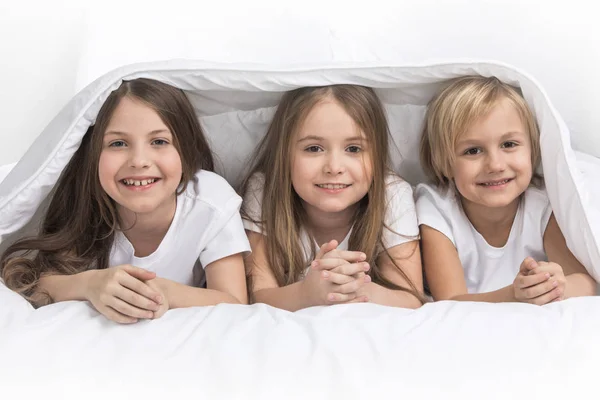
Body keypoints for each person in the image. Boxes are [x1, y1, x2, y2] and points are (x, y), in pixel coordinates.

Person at [1, 78, 250, 323]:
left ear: (185, 151)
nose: (139, 160)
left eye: (159, 142)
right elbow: (40, 282)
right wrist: (90, 284)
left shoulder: (211, 202)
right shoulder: (89, 199)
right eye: (118, 143)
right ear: (94, 154)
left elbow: (235, 302)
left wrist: (166, 292)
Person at [241, 84, 425, 311]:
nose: (334, 167)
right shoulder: (265, 190)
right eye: (314, 148)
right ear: (284, 154)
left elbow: (411, 300)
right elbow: (258, 297)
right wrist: (307, 293)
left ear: (376, 154)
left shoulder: (392, 193)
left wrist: (357, 288)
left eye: (354, 149)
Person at [416, 75, 596, 304]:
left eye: (509, 145)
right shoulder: (436, 207)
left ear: (533, 149)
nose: (496, 165)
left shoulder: (543, 204)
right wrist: (514, 295)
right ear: (444, 162)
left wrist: (558, 285)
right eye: (473, 151)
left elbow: (588, 283)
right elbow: (450, 302)